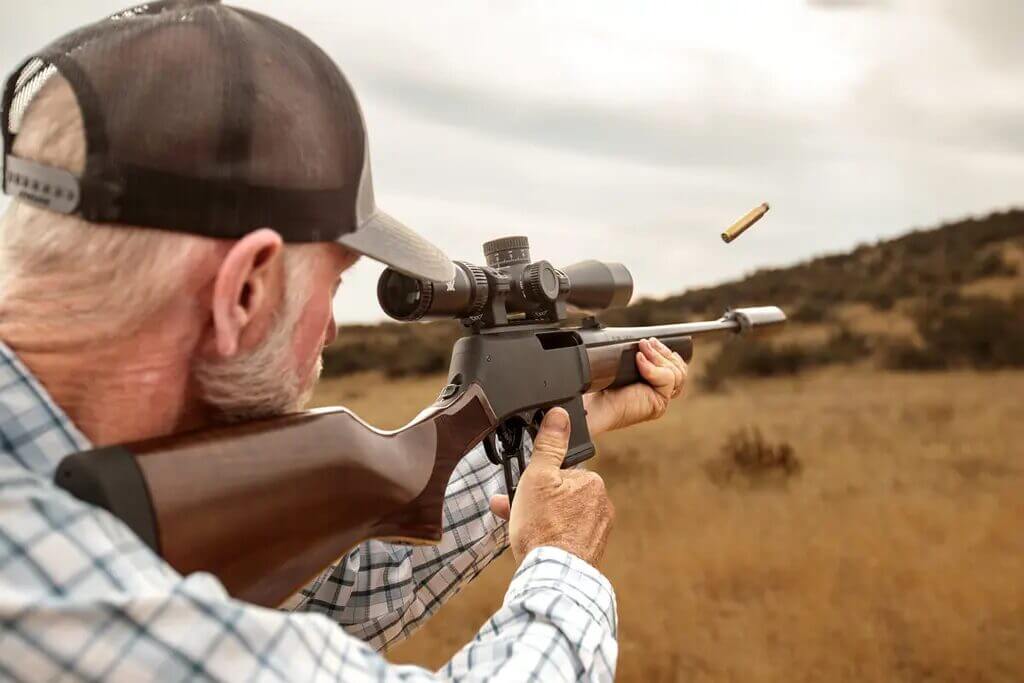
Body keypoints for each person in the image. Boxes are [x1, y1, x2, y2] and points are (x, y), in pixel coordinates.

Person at [0, 2, 688, 680]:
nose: (329, 327)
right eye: (333, 286)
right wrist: (562, 566)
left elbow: (329, 598)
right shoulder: (39, 583)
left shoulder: (68, 521)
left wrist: (542, 422)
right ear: (245, 291)